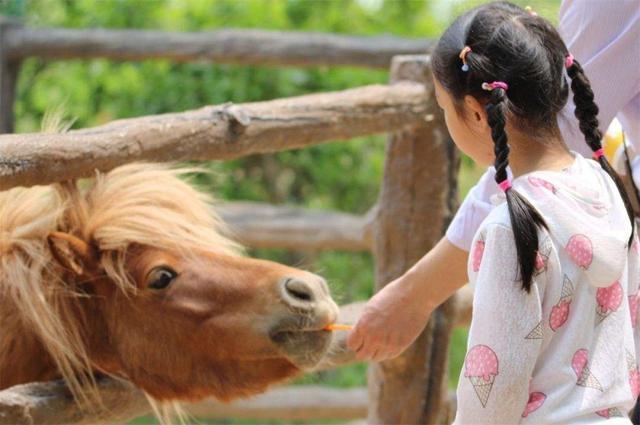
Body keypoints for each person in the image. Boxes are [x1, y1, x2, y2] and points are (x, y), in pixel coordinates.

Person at [349, 2, 640, 423]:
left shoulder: (512, 226)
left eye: (444, 108)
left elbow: (495, 386)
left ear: (475, 112)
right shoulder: (607, 191)